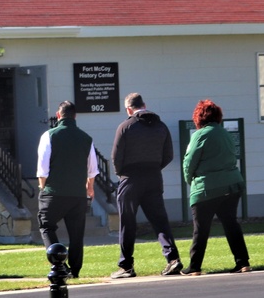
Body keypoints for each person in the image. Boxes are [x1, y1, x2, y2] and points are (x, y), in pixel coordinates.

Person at [109, 93, 183, 278]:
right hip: (154, 177)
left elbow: (116, 157)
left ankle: (126, 266)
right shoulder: (161, 126)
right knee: (160, 221)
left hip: (130, 178)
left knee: (127, 223)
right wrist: (155, 167)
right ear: (144, 105)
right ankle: (172, 259)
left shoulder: (125, 127)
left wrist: (121, 174)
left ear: (128, 109)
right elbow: (169, 155)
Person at [181, 99, 252, 276]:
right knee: (231, 224)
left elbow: (189, 163)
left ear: (199, 118)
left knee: (201, 228)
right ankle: (243, 262)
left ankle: (195, 266)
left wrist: (190, 181)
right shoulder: (225, 134)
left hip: (207, 188)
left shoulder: (200, 135)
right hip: (232, 185)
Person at [37, 101, 99, 278]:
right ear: (75, 116)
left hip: (53, 192)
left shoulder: (49, 135)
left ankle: (59, 264)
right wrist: (90, 189)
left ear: (58, 115)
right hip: (78, 194)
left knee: (46, 226)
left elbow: (42, 169)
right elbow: (92, 169)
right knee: (76, 234)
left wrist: (43, 188)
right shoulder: (86, 138)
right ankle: (76, 270)